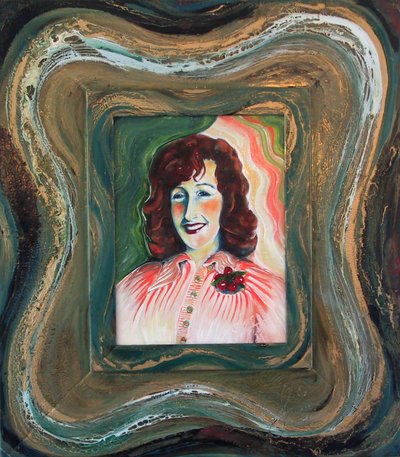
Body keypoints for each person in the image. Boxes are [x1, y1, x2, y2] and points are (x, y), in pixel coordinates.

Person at [116, 134, 286, 344]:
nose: (189, 214)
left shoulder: (267, 292)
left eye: (203, 194)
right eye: (179, 196)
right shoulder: (133, 288)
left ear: (228, 201)